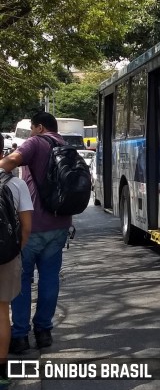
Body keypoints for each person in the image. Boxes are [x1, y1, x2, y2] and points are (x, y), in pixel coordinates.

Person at [0, 112, 71, 354]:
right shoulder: (64, 144)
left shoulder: (36, 142)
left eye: (31, 128)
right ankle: (43, 332)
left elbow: (9, 163)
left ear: (39, 127)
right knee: (49, 278)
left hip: (33, 225)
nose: (30, 132)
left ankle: (19, 336)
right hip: (60, 224)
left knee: (22, 280)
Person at [0, 134, 33, 389]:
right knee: (2, 312)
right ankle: (2, 372)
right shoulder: (16, 184)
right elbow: (26, 227)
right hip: (6, 255)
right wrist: (16, 251)